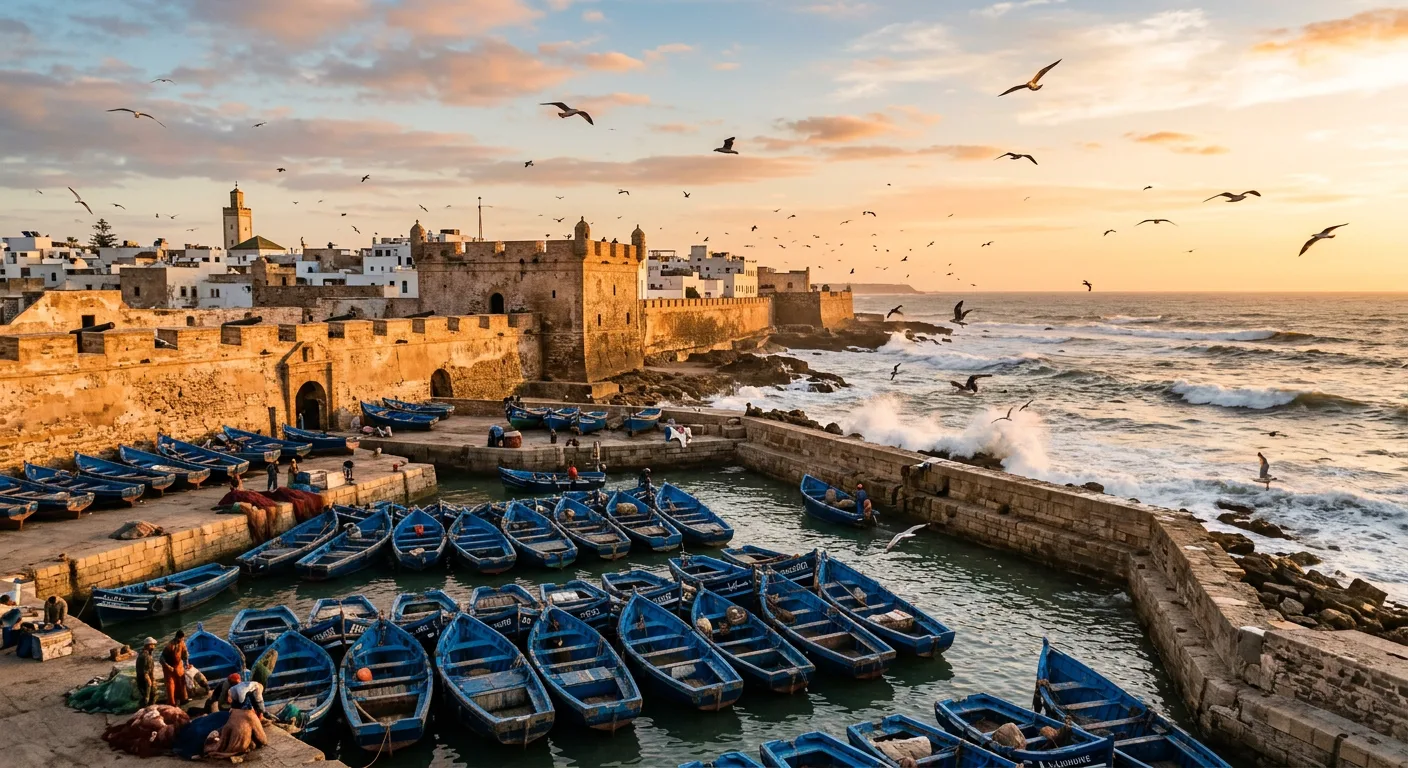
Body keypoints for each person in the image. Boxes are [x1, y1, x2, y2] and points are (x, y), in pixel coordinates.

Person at [162, 630, 190, 706]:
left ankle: (184, 699)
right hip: (169, 666)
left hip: (178, 665)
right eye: (181, 638)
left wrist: (186, 662)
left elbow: (185, 653)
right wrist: (168, 667)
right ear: (178, 637)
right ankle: (172, 702)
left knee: (181, 682)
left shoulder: (182, 643)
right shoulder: (170, 645)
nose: (182, 640)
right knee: (171, 685)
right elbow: (161, 658)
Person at [136, 637, 159, 707]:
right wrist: (149, 680)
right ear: (148, 645)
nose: (154, 647)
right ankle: (147, 708)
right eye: (152, 645)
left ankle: (147, 707)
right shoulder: (146, 656)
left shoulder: (143, 654)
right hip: (145, 680)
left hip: (143, 679)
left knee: (148, 696)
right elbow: (145, 671)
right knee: (148, 697)